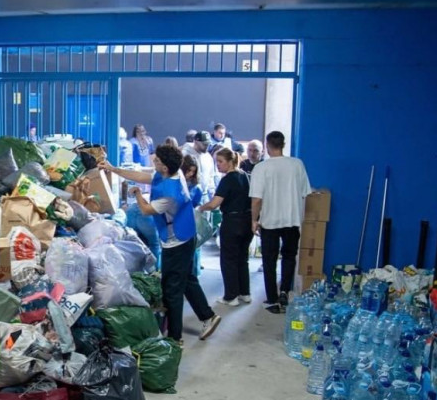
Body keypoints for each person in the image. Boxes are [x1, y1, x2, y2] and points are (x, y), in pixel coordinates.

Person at [101, 147, 222, 342]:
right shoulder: (174, 173)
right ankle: (208, 316)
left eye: (156, 161)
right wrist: (113, 169)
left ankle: (175, 339)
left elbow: (148, 210)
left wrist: (138, 194)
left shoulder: (170, 193)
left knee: (172, 289)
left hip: (177, 241)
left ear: (164, 167)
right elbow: (144, 176)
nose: (153, 162)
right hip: (185, 234)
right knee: (187, 279)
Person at [250, 131, 312, 313]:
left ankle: (271, 298)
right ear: (283, 144)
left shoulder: (261, 168)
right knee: (289, 256)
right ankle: (285, 290)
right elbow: (304, 193)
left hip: (270, 220)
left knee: (269, 260)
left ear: (267, 146)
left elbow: (256, 200)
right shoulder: (297, 164)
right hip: (292, 219)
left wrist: (254, 220)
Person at [198, 148, 252, 307]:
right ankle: (245, 293)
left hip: (232, 221)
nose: (218, 165)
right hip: (247, 220)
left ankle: (231, 296)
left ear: (230, 161)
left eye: (220, 162)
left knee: (228, 259)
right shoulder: (244, 176)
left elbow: (215, 203)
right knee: (242, 259)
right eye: (217, 162)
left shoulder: (227, 179)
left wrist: (200, 208)